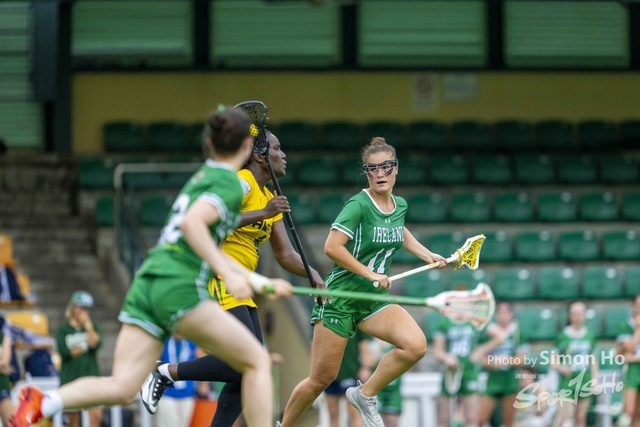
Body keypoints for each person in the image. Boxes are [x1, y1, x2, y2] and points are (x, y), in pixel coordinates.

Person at [10, 107, 293, 427]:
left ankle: (45, 401)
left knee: (122, 387)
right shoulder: (232, 183)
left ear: (208, 144)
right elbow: (192, 224)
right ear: (247, 147)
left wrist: (252, 278)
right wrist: (230, 273)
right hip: (177, 284)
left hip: (147, 282)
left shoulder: (203, 176)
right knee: (257, 361)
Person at [140, 129, 325, 427]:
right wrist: (262, 213)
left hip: (241, 285)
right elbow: (211, 220)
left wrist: (313, 275)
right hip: (218, 277)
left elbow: (285, 254)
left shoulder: (269, 197)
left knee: (249, 369)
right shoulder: (243, 183)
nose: (283, 155)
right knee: (250, 361)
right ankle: (165, 372)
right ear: (259, 155)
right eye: (277, 148)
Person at [279, 137, 447, 427]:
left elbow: (399, 230)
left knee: (415, 345)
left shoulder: (399, 205)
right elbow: (332, 247)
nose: (380, 174)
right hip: (341, 298)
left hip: (373, 299)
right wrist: (370, 274)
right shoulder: (358, 205)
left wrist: (426, 254)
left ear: (396, 169)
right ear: (366, 172)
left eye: (386, 167)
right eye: (372, 169)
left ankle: (365, 394)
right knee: (321, 379)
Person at [433, 289, 505, 427]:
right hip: (450, 372)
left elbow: (500, 336)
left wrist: (480, 350)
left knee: (471, 418)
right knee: (443, 418)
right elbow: (437, 351)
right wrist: (447, 357)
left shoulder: (474, 320)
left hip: (470, 370)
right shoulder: (445, 322)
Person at [55, 291, 103, 427]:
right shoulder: (63, 329)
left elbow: (95, 343)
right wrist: (85, 346)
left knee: (96, 417)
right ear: (73, 307)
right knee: (72, 421)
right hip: (70, 378)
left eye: (87, 309)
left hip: (91, 378)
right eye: (82, 308)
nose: (85, 312)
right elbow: (65, 352)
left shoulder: (93, 326)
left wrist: (87, 325)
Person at [477, 301, 528, 427]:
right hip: (492, 381)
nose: (502, 315)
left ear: (512, 314)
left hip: (510, 381)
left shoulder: (517, 333)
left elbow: (522, 359)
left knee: (508, 421)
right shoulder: (490, 332)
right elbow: (481, 359)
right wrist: (492, 362)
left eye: (506, 312)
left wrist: (504, 361)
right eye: (499, 312)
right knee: (480, 419)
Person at [551, 301, 597, 427]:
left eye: (580, 313)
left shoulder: (589, 335)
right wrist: (561, 367)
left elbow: (593, 359)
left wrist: (594, 380)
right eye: (574, 313)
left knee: (581, 418)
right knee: (565, 419)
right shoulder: (562, 336)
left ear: (585, 315)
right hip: (567, 382)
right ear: (569, 316)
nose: (577, 316)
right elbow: (553, 360)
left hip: (584, 380)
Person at [324, 331, 370, 427]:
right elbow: (314, 346)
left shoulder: (355, 322)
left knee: (354, 413)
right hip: (329, 374)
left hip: (351, 372)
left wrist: (365, 367)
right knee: (332, 414)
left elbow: (364, 343)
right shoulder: (321, 322)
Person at [155, 335, 200, 427]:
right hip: (166, 393)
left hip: (187, 393)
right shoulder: (164, 341)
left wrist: (204, 384)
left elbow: (202, 361)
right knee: (169, 424)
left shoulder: (191, 343)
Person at [616, 295, 640, 427]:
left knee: (638, 414)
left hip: (635, 363)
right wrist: (638, 328)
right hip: (631, 371)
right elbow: (629, 347)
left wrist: (634, 357)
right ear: (633, 306)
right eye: (638, 304)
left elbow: (630, 354)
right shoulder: (626, 325)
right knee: (627, 413)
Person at [367, 339, 403, 427]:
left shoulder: (398, 342)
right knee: (377, 422)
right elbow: (369, 363)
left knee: (393, 422)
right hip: (378, 390)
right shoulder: (373, 342)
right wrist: (379, 347)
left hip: (394, 390)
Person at [0, 317, 13, 427]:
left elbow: (5, 362)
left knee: (9, 423)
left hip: (2, 384)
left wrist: (3, 365)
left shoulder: (4, 337)